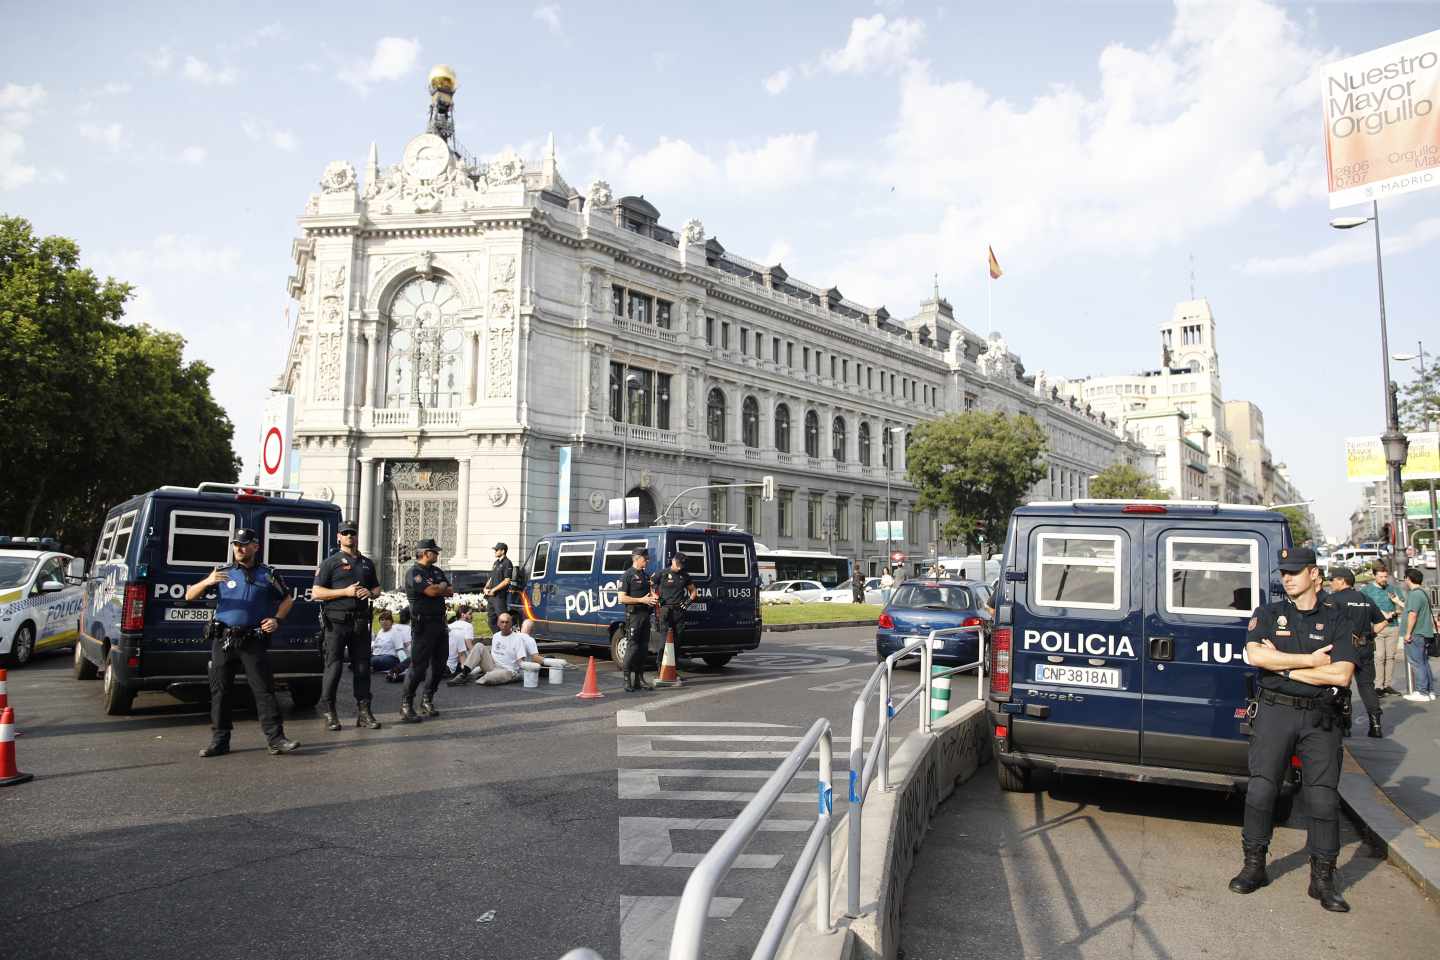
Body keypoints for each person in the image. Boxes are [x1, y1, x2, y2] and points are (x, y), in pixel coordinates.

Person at [1229, 547, 1356, 912]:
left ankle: (1323, 880)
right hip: (1275, 713)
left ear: (1315, 575)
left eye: (1296, 571)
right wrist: (1309, 662)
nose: (1287, 577)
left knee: (1322, 798)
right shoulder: (1269, 612)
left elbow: (1342, 674)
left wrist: (1283, 668)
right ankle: (1254, 866)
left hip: (1320, 717)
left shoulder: (1339, 617)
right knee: (1261, 791)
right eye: (1284, 571)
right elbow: (1256, 656)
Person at [185, 528, 301, 758]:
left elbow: (288, 599)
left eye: (245, 544)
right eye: (236, 544)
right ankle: (220, 741)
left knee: (264, 691)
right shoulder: (223, 572)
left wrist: (276, 619)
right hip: (224, 639)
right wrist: (208, 580)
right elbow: (190, 595)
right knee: (220, 692)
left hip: (253, 639)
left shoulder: (268, 574)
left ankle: (276, 739)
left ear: (255, 547)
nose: (239, 548)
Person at [311, 519, 383, 732]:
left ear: (357, 536)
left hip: (360, 622)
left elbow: (377, 588)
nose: (349, 536)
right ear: (338, 537)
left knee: (362, 668)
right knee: (333, 668)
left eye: (352, 532)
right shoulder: (330, 562)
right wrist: (345, 592)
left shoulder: (367, 563)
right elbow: (316, 593)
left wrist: (370, 593)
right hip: (336, 623)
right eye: (345, 533)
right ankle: (330, 711)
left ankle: (364, 711)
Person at [1327, 567, 1386, 737]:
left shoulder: (1333, 599)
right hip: (1365, 646)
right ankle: (1376, 726)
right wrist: (1370, 634)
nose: (1331, 583)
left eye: (1333, 580)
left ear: (1342, 581)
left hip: (1344, 648)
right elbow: (1382, 622)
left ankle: (1345, 726)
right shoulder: (1365, 599)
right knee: (1367, 686)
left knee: (1341, 685)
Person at [400, 538, 453, 722]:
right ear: (424, 553)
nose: (437, 554)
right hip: (423, 625)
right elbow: (431, 591)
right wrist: (441, 587)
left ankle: (427, 700)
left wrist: (441, 587)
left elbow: (450, 590)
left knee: (439, 664)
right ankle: (406, 705)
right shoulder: (414, 572)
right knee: (418, 667)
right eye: (434, 551)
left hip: (439, 623)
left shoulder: (436, 571)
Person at [451, 612, 542, 685]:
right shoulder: (495, 636)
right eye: (502, 622)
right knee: (479, 645)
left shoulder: (518, 639)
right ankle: (464, 674)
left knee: (489, 678)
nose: (504, 624)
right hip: (493, 666)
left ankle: (480, 677)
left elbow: (520, 662)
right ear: (498, 624)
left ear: (511, 624)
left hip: (508, 671)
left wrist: (523, 672)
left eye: (507, 622)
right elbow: (492, 655)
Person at [1360, 565, 1406, 696]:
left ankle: (1387, 685)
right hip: (1377, 627)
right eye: (1381, 576)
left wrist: (1394, 611)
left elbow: (1403, 607)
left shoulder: (1393, 589)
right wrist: (1379, 613)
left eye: (1386, 576)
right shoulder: (1366, 591)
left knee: (1390, 657)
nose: (1384, 579)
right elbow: (1363, 608)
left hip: (1393, 626)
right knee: (1379, 657)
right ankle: (1378, 685)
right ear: (1374, 576)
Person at [619, 546, 658, 692]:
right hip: (634, 616)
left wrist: (653, 597)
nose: (647, 560)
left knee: (643, 648)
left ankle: (639, 680)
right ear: (637, 558)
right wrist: (641, 600)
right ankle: (626, 680)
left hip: (645, 616)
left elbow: (649, 594)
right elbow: (622, 598)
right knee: (633, 647)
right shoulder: (627, 575)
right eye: (645, 558)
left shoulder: (646, 575)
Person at [1400, 567, 1437, 703]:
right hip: (1424, 633)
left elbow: (1413, 614)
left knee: (1416, 663)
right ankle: (1429, 690)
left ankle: (1421, 691)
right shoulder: (1423, 592)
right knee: (1424, 662)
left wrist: (1408, 633)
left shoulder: (1414, 594)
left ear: (1408, 579)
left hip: (1416, 634)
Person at [655, 552, 698, 660]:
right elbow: (650, 585)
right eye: (678, 564)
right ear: (673, 561)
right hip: (665, 610)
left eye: (682, 565)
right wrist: (656, 598)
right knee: (664, 640)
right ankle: (660, 666)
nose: (679, 567)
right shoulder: (662, 573)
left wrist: (688, 602)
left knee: (678, 640)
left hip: (679, 611)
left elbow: (693, 591)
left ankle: (673, 667)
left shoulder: (684, 575)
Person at [484, 542, 515, 635]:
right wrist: (486, 588)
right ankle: (497, 637)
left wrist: (494, 590)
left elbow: (506, 581)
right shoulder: (496, 563)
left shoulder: (507, 563)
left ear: (503, 551)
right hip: (491, 597)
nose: (495, 552)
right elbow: (491, 578)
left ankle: (507, 638)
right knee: (491, 620)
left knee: (503, 620)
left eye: (496, 550)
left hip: (499, 597)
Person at [371, 609, 409, 680]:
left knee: (375, 660)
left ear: (391, 622)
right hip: (377, 655)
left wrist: (404, 665)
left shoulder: (395, 633)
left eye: (387, 620)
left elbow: (400, 650)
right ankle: (369, 666)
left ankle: (370, 666)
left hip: (390, 658)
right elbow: (375, 646)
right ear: (379, 622)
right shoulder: (380, 631)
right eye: (382, 620)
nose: (384, 622)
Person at [447, 604, 475, 677]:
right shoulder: (468, 626)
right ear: (463, 615)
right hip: (460, 659)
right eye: (470, 614)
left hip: (449, 659)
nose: (472, 616)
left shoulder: (450, 626)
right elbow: (469, 645)